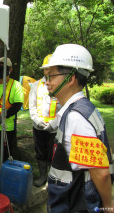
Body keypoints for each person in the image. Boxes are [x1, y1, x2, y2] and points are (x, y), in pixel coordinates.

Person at [42, 44, 114, 213]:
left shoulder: (76, 118)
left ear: (71, 78)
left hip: (73, 204)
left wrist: (108, 205)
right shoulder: (83, 108)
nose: (47, 82)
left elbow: (100, 172)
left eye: (51, 76)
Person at [29, 54, 62, 187]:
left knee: (53, 153)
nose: (48, 71)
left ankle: (52, 177)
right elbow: (32, 106)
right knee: (40, 151)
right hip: (39, 127)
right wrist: (37, 121)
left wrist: (53, 123)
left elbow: (64, 107)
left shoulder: (60, 85)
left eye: (51, 68)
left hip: (55, 128)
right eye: (46, 68)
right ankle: (43, 176)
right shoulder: (36, 85)